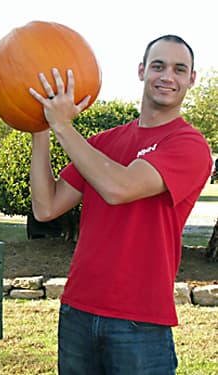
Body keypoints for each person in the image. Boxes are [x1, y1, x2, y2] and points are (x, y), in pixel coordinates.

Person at [29, 35, 212, 375]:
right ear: (142, 71)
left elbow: (118, 187)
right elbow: (46, 207)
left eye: (179, 69)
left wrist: (62, 125)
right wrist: (40, 128)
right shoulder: (105, 142)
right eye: (157, 66)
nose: (167, 76)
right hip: (77, 312)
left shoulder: (189, 145)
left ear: (191, 79)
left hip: (139, 324)